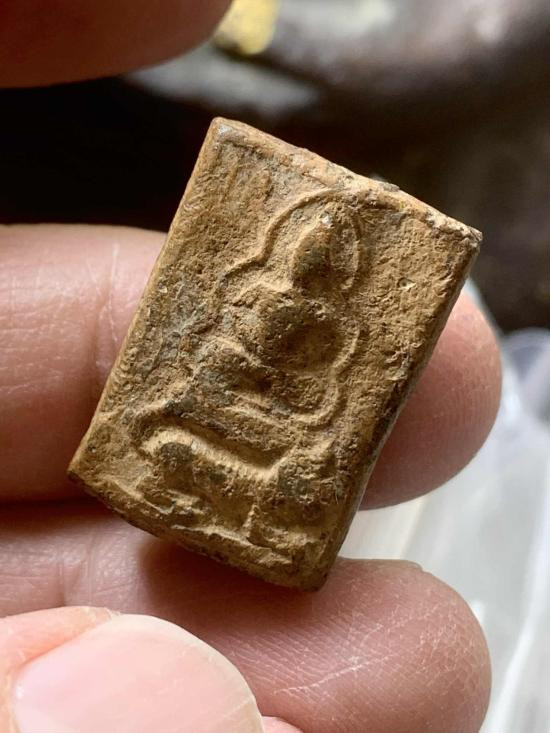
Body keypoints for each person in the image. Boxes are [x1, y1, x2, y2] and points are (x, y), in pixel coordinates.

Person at [0, 2, 502, 731]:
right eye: (308, 248)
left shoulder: (334, 322)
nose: (313, 261)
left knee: (300, 459)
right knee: (184, 402)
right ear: (288, 245)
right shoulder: (252, 285)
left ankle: (244, 486)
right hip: (219, 400)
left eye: (330, 257)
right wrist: (237, 367)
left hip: (272, 423)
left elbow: (322, 396)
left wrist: (296, 400)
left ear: (344, 268)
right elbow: (216, 349)